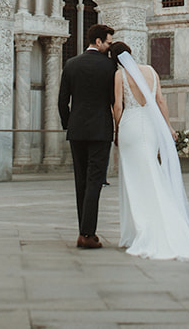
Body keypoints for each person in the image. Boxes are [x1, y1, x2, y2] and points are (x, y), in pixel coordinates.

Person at [108, 41, 189, 260]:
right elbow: (161, 101)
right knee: (151, 169)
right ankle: (163, 220)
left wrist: (117, 130)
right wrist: (169, 127)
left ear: (115, 59)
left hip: (130, 126)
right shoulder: (151, 71)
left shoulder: (120, 75)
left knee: (135, 177)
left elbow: (118, 107)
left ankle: (143, 228)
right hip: (151, 125)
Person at [58, 23, 117, 249]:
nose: (109, 47)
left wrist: (69, 124)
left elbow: (62, 101)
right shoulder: (110, 67)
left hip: (77, 130)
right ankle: (87, 233)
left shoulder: (71, 64)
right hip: (101, 130)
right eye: (108, 43)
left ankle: (84, 230)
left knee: (80, 180)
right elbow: (114, 100)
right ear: (99, 41)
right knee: (94, 181)